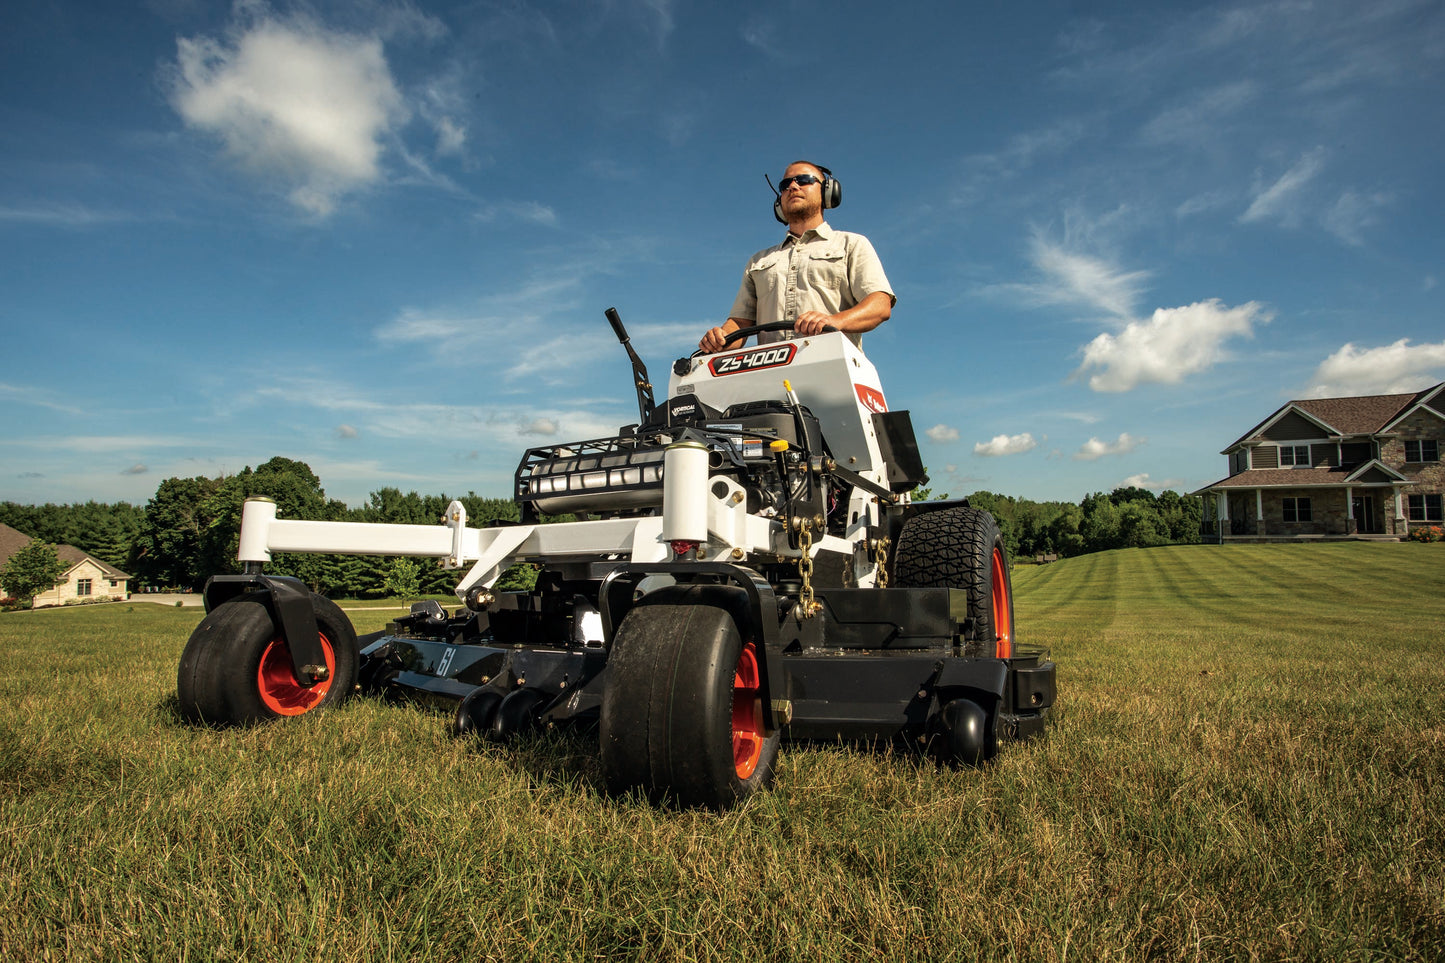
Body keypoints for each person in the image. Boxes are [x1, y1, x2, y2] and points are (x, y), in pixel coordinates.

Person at [699, 161, 894, 353]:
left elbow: (880, 305)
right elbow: (740, 322)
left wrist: (834, 321)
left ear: (827, 191)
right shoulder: (758, 261)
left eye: (804, 180)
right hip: (772, 376)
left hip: (834, 368)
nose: (793, 186)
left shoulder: (851, 244)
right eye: (785, 184)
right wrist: (720, 338)